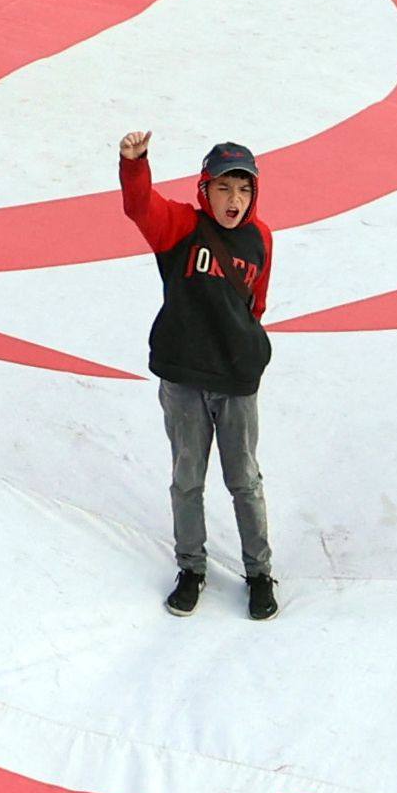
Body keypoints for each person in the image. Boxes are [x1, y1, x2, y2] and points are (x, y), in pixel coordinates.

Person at [117, 131, 277, 621]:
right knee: (187, 479)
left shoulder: (261, 238)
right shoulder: (179, 227)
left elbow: (257, 302)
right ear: (205, 189)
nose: (234, 201)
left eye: (244, 190)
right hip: (184, 377)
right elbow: (140, 206)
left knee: (243, 480)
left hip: (235, 381)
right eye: (225, 189)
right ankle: (191, 567)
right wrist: (135, 163)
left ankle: (259, 573)